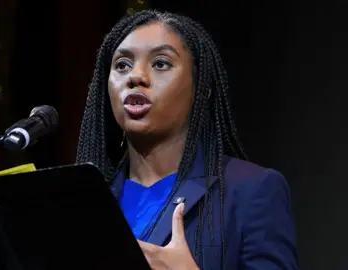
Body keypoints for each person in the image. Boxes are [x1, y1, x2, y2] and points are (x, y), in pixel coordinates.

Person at [76, 9, 298, 270]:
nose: (135, 77)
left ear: (202, 89)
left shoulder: (251, 190)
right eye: (122, 65)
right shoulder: (85, 202)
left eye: (160, 63)